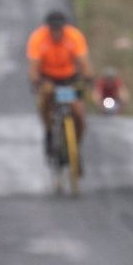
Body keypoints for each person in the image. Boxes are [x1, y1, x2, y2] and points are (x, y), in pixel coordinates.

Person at [25, 9, 93, 156]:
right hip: (48, 78)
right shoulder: (38, 38)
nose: (56, 32)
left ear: (64, 27)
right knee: (44, 101)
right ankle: (49, 131)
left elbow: (83, 61)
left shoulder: (74, 36)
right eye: (53, 29)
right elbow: (33, 66)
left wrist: (88, 78)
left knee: (79, 114)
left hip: (69, 79)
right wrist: (36, 82)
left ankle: (75, 149)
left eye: (59, 28)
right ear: (47, 27)